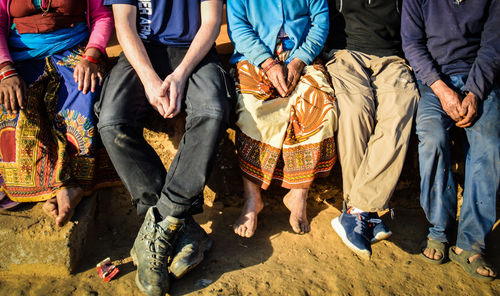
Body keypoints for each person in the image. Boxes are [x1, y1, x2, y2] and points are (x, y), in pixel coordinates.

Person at [96, 0, 230, 294]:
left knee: (213, 112)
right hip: (141, 53)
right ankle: (181, 225)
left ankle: (160, 225)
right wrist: (149, 79)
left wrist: (180, 75)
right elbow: (125, 25)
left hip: (195, 52)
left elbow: (210, 23)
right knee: (111, 121)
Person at [402, 0, 499, 282]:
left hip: (479, 81)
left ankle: (471, 243)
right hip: (434, 82)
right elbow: (412, 45)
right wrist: (442, 90)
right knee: (432, 138)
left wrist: (474, 92)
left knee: (489, 145)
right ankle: (438, 230)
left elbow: (493, 45)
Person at [227, 0, 337, 238]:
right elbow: (238, 27)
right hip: (256, 56)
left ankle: (299, 193)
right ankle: (252, 198)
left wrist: (300, 59)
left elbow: (320, 21)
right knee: (253, 110)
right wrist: (268, 63)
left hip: (303, 56)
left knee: (322, 108)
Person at [0, 0, 114, 226]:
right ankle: (51, 188)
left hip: (75, 51)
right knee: (14, 111)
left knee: (84, 98)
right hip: (20, 56)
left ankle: (71, 186)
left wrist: (91, 57)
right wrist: (5, 70)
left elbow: (103, 16)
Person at [324, 0, 419, 259]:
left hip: (392, 58)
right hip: (345, 54)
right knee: (354, 110)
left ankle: (356, 211)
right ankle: (362, 212)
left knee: (401, 106)